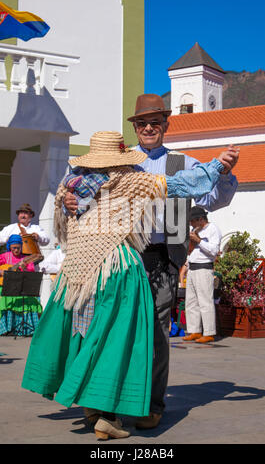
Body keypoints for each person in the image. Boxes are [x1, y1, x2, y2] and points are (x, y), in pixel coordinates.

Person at [22, 130, 231, 440]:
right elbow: (186, 184)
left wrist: (69, 205)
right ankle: (105, 414)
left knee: (84, 334)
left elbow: (62, 222)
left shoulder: (73, 184)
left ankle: (93, 409)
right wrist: (217, 167)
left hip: (78, 273)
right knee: (115, 339)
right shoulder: (133, 179)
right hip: (118, 269)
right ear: (120, 157)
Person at [64, 94, 240, 431]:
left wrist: (226, 173)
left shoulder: (183, 163)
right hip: (118, 256)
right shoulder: (120, 161)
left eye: (155, 123)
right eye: (143, 123)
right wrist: (70, 199)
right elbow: (81, 195)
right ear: (135, 127)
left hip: (163, 257)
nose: (149, 128)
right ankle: (102, 402)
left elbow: (214, 199)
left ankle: (150, 403)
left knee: (158, 334)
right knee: (111, 330)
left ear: (165, 126)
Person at [182, 206, 221, 343]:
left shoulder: (213, 229)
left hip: (204, 268)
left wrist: (199, 241)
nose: (190, 224)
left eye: (192, 221)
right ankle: (195, 330)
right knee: (191, 302)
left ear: (200, 219)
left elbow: (214, 251)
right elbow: (193, 252)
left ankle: (209, 332)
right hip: (193, 268)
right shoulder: (194, 230)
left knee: (205, 301)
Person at [0, 234, 42, 336]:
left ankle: (26, 328)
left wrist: (24, 268)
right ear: (10, 246)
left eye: (18, 247)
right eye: (14, 247)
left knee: (32, 299)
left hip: (22, 288)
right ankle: (7, 328)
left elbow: (30, 273)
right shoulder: (4, 257)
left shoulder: (26, 259)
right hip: (7, 287)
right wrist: (2, 272)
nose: (16, 250)